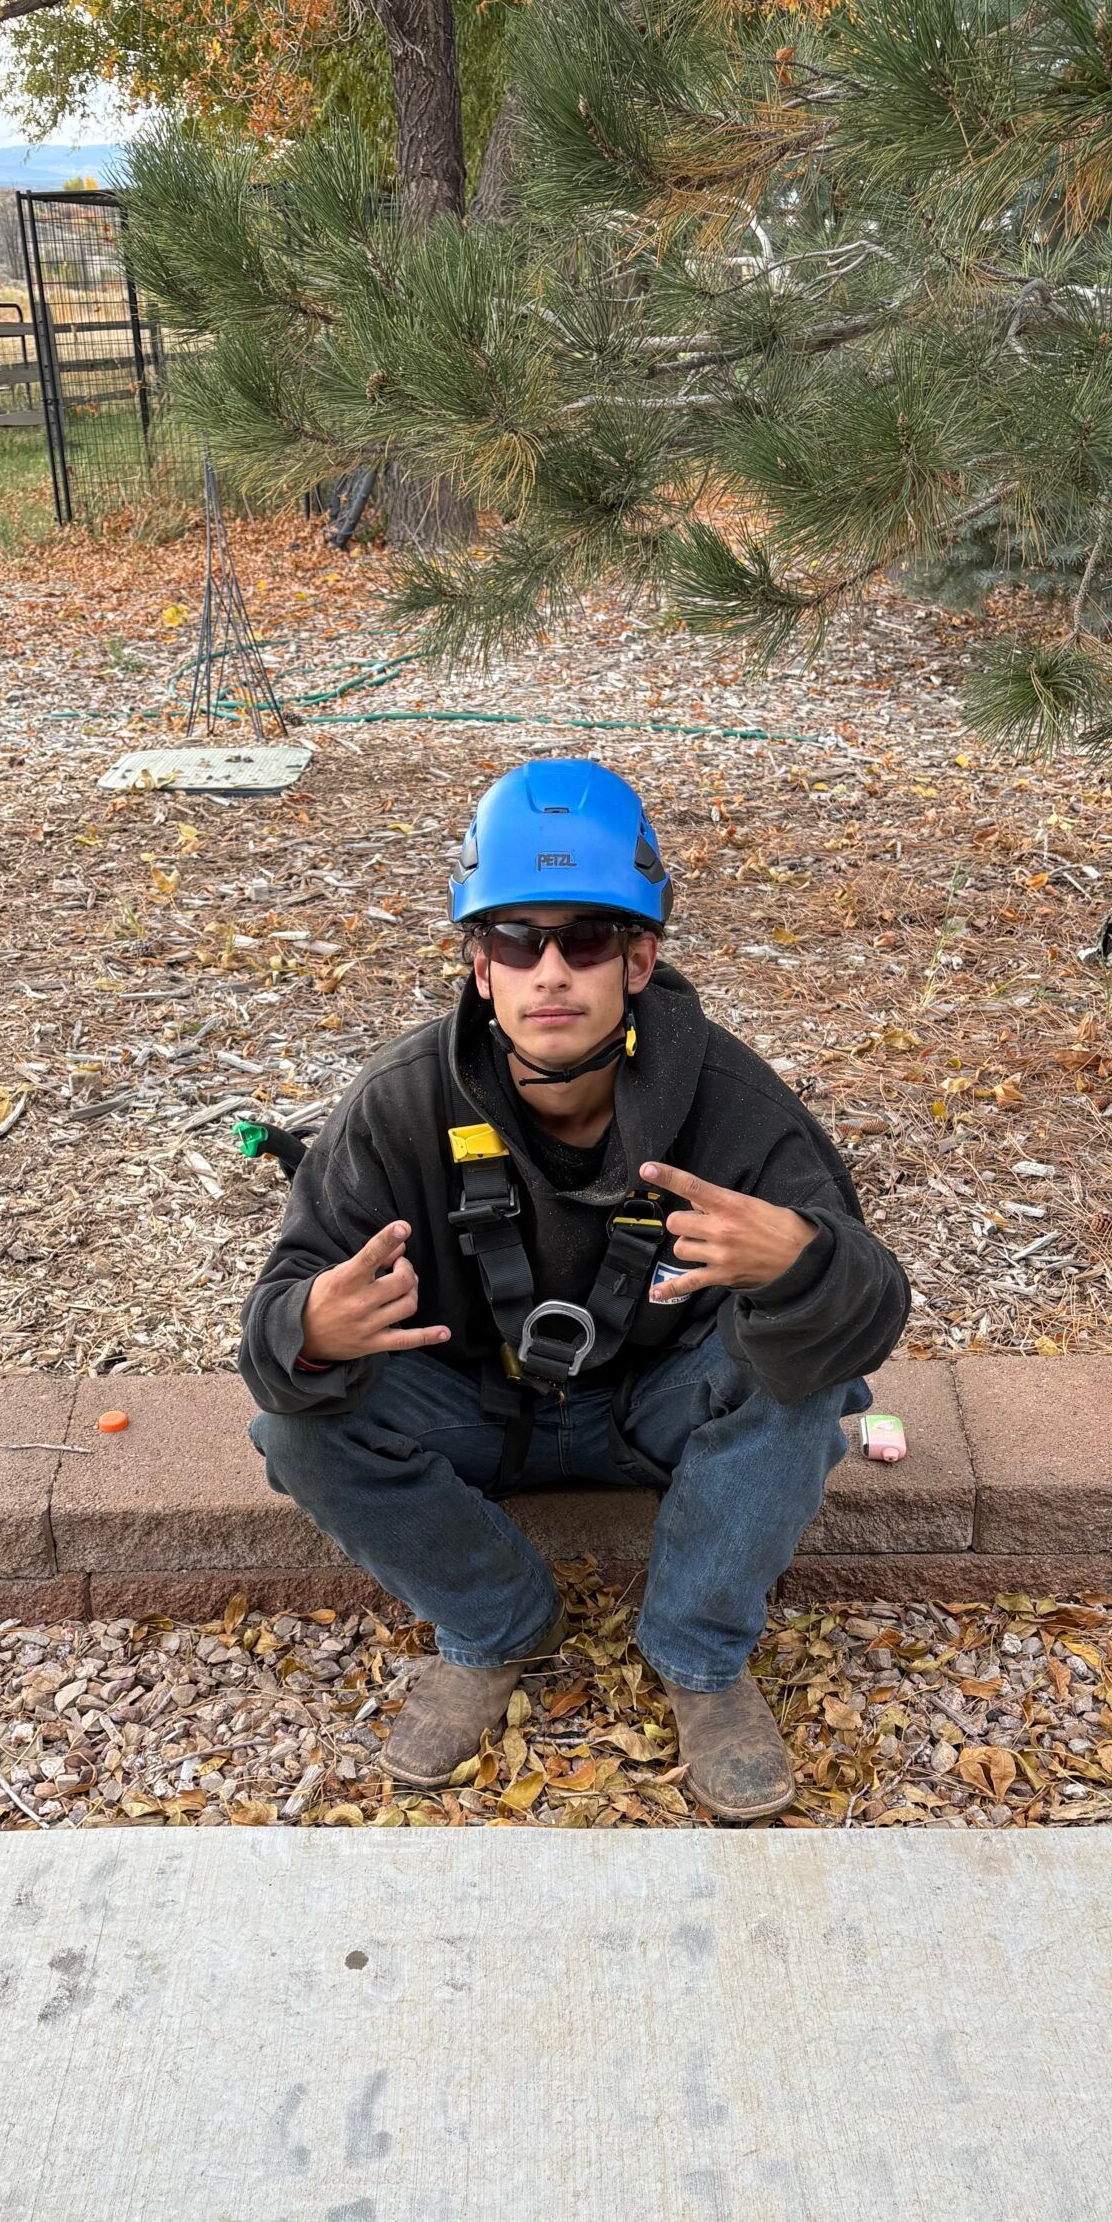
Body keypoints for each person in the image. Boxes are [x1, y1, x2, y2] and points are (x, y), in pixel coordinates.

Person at [240, 759, 910, 1820]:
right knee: (295, 1424)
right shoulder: (399, 1104)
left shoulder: (732, 1100)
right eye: (517, 940)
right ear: (479, 967)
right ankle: (500, 1621)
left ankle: (698, 1658)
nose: (551, 970)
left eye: (586, 938)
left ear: (639, 959)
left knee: (807, 1367)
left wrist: (806, 1266)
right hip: (472, 1405)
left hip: (656, 1411)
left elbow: (874, 1309)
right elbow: (272, 1326)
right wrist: (311, 1329)